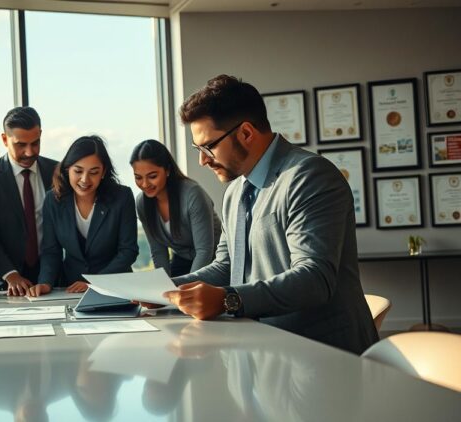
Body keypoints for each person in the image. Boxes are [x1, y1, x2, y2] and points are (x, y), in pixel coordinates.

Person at [163, 75, 378, 354]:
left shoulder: (309, 176)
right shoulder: (234, 192)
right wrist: (162, 289)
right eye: (198, 149)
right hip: (263, 350)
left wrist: (228, 299)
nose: (202, 160)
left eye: (208, 146)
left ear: (246, 134)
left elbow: (314, 279)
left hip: (322, 353)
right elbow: (227, 267)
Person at [28, 136, 138, 296]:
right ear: (67, 168)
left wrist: (95, 283)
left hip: (115, 287)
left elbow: (128, 251)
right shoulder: (53, 200)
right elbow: (51, 250)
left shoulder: (122, 197)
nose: (85, 180)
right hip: (71, 287)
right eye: (78, 171)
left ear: (103, 172)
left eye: (94, 172)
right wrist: (45, 282)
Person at [0, 107, 59, 296]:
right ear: (5, 140)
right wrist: (10, 274)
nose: (29, 152)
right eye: (21, 145)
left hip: (49, 281)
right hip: (1, 283)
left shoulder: (56, 171)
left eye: (35, 143)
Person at [131, 139, 222, 277]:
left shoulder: (192, 194)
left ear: (167, 170)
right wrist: (164, 286)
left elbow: (204, 251)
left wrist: (188, 286)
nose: (144, 184)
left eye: (152, 176)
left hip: (215, 261)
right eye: (138, 177)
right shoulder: (142, 203)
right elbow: (158, 251)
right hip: (182, 260)